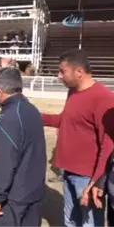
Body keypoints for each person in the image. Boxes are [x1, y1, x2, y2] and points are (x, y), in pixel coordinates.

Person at [42, 49, 114, 227]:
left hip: (87, 177)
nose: (59, 75)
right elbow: (64, 120)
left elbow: (107, 144)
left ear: (79, 72)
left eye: (62, 71)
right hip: (67, 171)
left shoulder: (103, 98)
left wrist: (96, 180)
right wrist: (37, 116)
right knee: (70, 221)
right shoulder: (72, 92)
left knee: (89, 224)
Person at [0, 68, 46, 227]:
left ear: (0, 91)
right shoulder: (32, 109)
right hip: (34, 192)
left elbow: (5, 161)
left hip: (14, 198)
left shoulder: (7, 118)